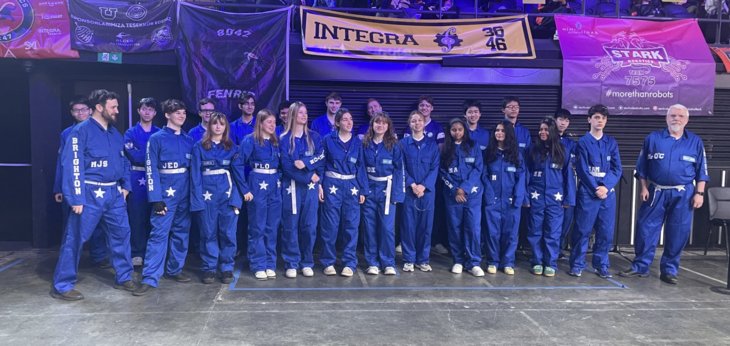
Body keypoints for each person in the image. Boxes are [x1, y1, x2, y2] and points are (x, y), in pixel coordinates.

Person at [51, 89, 135, 301]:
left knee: (121, 235)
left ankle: (124, 277)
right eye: (113, 107)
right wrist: (76, 197)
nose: (117, 111)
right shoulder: (80, 132)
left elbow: (124, 160)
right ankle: (62, 285)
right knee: (75, 238)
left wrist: (126, 186)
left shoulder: (115, 133)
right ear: (99, 107)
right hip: (89, 193)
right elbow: (72, 165)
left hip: (114, 194)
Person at [619, 104, 709, 285]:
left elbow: (702, 171)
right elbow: (642, 167)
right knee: (646, 229)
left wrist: (699, 193)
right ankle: (640, 267)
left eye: (680, 116)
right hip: (656, 191)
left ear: (687, 120)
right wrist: (644, 188)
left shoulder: (695, 142)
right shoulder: (653, 139)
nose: (676, 119)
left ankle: (669, 270)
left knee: (678, 232)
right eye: (673, 115)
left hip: (683, 194)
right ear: (667, 118)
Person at [134, 99, 195, 296]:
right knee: (159, 234)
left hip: (184, 193)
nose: (181, 116)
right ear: (167, 115)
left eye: (184, 112)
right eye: (177, 112)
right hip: (165, 194)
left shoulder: (188, 140)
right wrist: (155, 197)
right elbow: (150, 169)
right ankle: (150, 276)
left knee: (181, 232)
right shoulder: (157, 138)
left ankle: (174, 269)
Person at [53, 97, 109, 269]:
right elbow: (62, 163)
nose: (81, 113)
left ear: (91, 110)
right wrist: (58, 188)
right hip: (73, 185)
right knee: (72, 226)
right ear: (72, 113)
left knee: (99, 223)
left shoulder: (102, 131)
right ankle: (69, 265)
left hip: (96, 186)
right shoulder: (67, 133)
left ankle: (98, 256)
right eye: (76, 110)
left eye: (84, 109)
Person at [568, 105, 622, 278]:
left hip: (607, 194)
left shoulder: (611, 142)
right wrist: (595, 188)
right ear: (589, 119)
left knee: (605, 231)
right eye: (597, 117)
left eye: (603, 118)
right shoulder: (583, 142)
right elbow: (582, 169)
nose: (600, 121)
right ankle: (577, 264)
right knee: (582, 230)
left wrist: (606, 186)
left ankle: (601, 265)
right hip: (588, 193)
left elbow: (617, 169)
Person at [190, 112, 241, 284]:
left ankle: (227, 267)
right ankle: (209, 268)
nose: (218, 127)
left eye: (222, 124)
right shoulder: (199, 147)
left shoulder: (232, 148)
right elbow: (195, 176)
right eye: (215, 123)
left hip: (227, 196)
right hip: (207, 197)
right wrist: (197, 200)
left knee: (228, 234)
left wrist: (236, 200)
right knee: (208, 233)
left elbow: (238, 176)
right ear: (209, 125)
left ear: (226, 126)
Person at [319, 108, 368, 277]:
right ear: (337, 123)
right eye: (345, 119)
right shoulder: (327, 140)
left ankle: (349, 262)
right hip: (332, 184)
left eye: (351, 119)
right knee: (330, 226)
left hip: (352, 185)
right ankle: (328, 261)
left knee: (351, 226)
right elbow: (321, 163)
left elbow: (361, 166)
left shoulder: (357, 142)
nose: (349, 122)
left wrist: (363, 188)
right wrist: (319, 184)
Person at [526, 117, 576, 277]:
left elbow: (568, 176)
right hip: (536, 197)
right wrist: (526, 197)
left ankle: (550, 263)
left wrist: (568, 199)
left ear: (553, 131)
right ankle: (537, 261)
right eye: (541, 129)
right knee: (535, 231)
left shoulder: (562, 150)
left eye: (546, 129)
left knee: (553, 232)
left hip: (556, 199)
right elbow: (526, 175)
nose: (542, 132)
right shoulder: (532, 150)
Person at [236, 109, 282, 280]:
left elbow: (283, 165)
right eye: (269, 122)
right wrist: (245, 189)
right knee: (257, 226)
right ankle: (258, 264)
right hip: (257, 183)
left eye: (274, 122)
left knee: (272, 227)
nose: (273, 125)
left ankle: (270, 263)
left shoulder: (277, 142)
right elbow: (238, 163)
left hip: (274, 185)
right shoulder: (251, 140)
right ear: (260, 123)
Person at [279, 102, 324, 279]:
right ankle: (291, 262)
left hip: (311, 190)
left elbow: (321, 157)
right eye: (300, 113)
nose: (304, 116)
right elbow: (287, 166)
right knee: (290, 226)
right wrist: (308, 176)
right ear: (292, 116)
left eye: (306, 112)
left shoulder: (315, 137)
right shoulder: (283, 139)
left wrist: (306, 163)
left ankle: (307, 262)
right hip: (291, 188)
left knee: (309, 226)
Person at [361, 113, 405, 275]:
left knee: (387, 228)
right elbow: (361, 169)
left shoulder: (394, 145)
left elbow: (399, 171)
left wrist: (396, 195)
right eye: (377, 123)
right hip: (370, 190)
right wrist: (364, 190)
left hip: (387, 190)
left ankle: (388, 263)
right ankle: (372, 262)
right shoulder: (364, 144)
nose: (380, 126)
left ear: (388, 126)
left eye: (384, 123)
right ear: (372, 125)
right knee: (370, 227)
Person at [440, 118, 484, 277]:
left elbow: (478, 169)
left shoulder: (474, 146)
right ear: (449, 131)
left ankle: (473, 262)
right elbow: (442, 173)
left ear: (464, 130)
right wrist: (455, 190)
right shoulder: (445, 148)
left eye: (459, 129)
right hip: (452, 196)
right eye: (454, 130)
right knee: (455, 228)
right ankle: (458, 260)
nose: (457, 132)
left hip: (472, 195)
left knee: (472, 228)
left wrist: (464, 189)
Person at [482, 120, 526, 275]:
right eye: (497, 130)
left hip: (511, 201)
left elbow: (521, 178)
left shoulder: (516, 155)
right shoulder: (488, 154)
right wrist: (489, 195)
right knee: (492, 233)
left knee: (511, 233)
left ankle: (507, 262)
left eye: (502, 130)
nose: (499, 133)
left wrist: (518, 197)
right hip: (493, 200)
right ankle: (492, 261)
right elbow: (484, 176)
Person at [400, 110, 440, 272]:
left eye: (419, 121)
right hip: (409, 192)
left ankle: (423, 259)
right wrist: (412, 184)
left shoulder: (432, 145)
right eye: (413, 121)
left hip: (427, 192)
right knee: (408, 226)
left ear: (424, 123)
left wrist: (424, 186)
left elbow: (435, 167)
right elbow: (400, 167)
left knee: (425, 226)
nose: (416, 123)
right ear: (409, 124)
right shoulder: (402, 144)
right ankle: (409, 259)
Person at [123, 97, 161, 267]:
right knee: (137, 216)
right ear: (138, 111)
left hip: (156, 177)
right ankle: (137, 252)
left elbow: (163, 156)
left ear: (155, 113)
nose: (147, 112)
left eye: (151, 110)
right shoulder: (130, 133)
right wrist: (151, 157)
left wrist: (148, 156)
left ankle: (153, 253)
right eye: (144, 109)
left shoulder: (159, 133)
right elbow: (133, 155)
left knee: (155, 215)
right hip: (137, 176)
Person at [555, 108, 577, 254]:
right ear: (555, 120)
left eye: (566, 120)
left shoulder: (571, 143)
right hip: (552, 186)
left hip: (568, 187)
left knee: (567, 219)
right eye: (561, 119)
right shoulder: (547, 139)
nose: (563, 123)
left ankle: (558, 249)